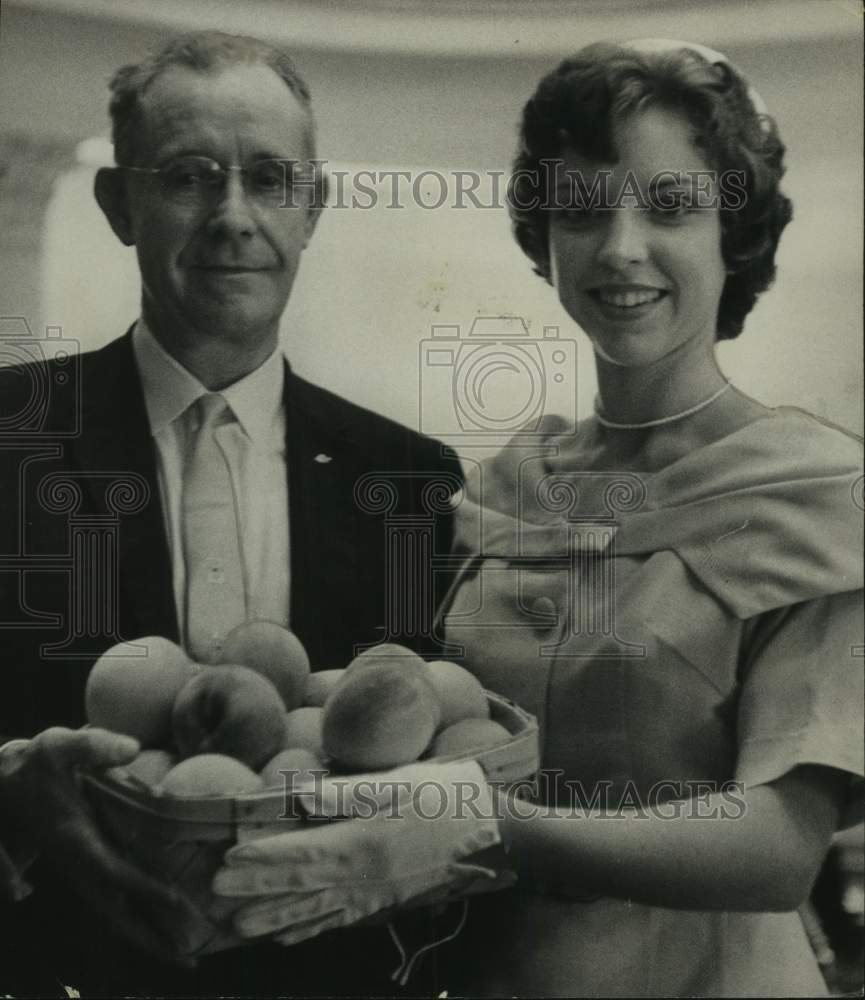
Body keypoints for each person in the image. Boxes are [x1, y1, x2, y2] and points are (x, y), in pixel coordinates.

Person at [207, 40, 864, 997]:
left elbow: (777, 851)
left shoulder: (818, 495)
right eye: (583, 207)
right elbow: (433, 734)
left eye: (669, 205)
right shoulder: (502, 489)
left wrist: (479, 822)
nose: (619, 246)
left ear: (735, 230)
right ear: (544, 235)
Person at [0, 30, 461, 997]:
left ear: (314, 205)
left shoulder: (409, 479)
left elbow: (427, 758)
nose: (233, 217)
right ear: (118, 205)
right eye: (188, 177)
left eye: (269, 177)